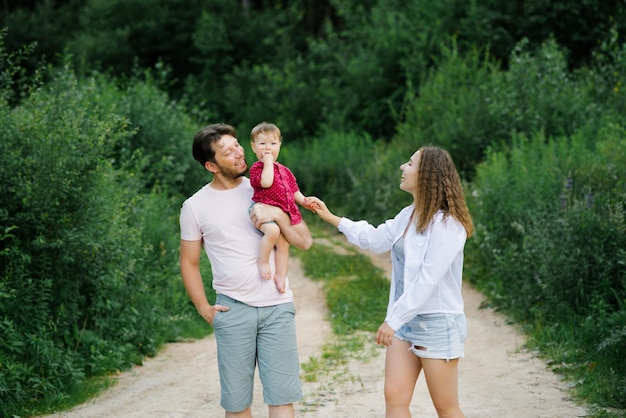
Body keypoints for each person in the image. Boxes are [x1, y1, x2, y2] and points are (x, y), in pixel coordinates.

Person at [308, 145, 473, 418]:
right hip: (404, 323)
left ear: (426, 175)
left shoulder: (447, 225)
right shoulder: (409, 215)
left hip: (436, 323)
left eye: (410, 164)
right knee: (395, 400)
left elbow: (426, 281)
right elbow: (374, 238)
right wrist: (331, 217)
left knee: (446, 408)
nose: (402, 168)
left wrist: (392, 320)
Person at [179, 123, 313, 418]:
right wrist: (204, 308)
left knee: (282, 398)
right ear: (211, 165)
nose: (240, 153)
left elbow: (303, 240)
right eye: (228, 152)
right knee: (237, 404)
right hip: (232, 310)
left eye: (238, 144)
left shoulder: (266, 184)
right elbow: (188, 262)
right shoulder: (195, 207)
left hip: (277, 307)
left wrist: (277, 212)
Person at [249, 122, 316, 293]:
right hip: (263, 211)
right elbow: (266, 182)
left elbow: (294, 191)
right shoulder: (257, 168)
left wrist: (305, 201)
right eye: (262, 144)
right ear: (253, 147)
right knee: (272, 232)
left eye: (273, 143)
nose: (268, 148)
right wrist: (268, 162)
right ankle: (263, 262)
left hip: (284, 212)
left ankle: (280, 275)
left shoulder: (285, 171)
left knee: (284, 245)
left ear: (280, 145)